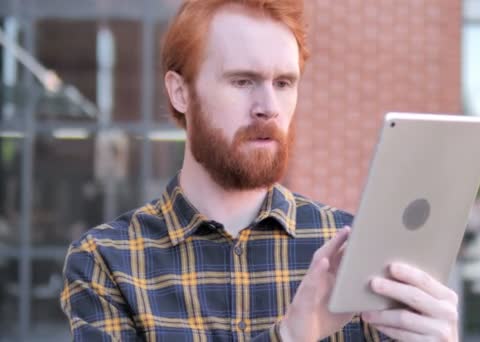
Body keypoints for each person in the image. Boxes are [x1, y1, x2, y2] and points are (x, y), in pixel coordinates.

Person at [60, 0, 459, 340]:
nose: (268, 106)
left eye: (284, 83)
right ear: (180, 92)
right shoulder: (109, 262)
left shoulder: (352, 253)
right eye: (242, 81)